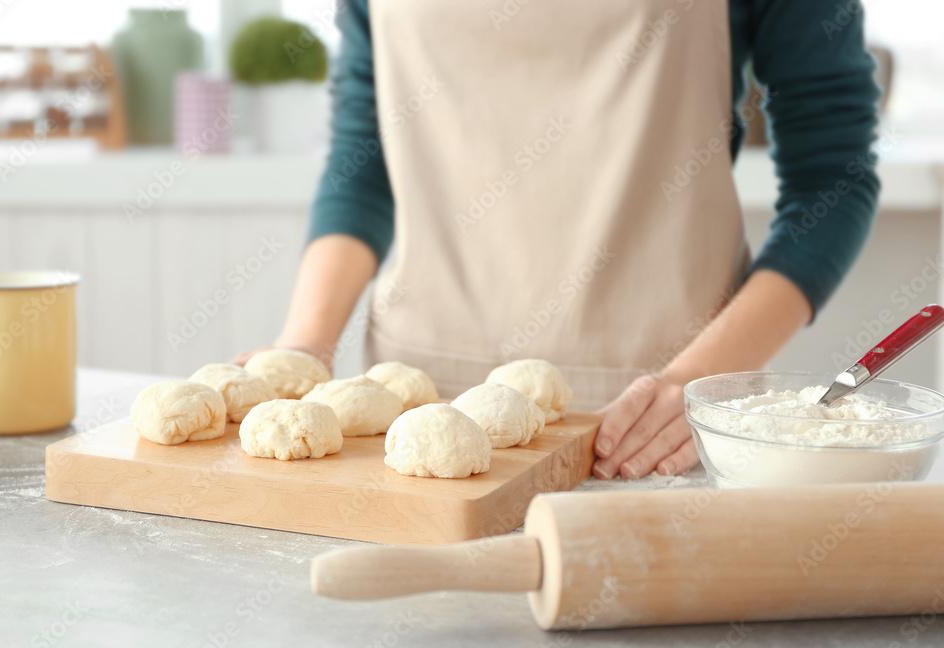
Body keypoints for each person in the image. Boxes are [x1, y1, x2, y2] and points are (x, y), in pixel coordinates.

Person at [235, 0, 881, 480]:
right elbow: (366, 157)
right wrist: (303, 348)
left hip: (657, 427)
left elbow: (835, 175)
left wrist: (700, 379)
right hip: (414, 410)